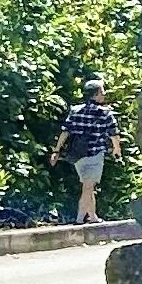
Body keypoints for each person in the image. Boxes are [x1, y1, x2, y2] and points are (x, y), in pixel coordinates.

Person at [49, 77, 121, 222]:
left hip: (78, 155)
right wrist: (117, 149)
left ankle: (93, 216)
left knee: (89, 184)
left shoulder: (75, 110)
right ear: (94, 94)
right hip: (94, 154)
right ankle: (80, 218)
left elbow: (65, 131)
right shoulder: (105, 113)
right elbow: (114, 133)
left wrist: (56, 151)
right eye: (102, 91)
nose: (104, 94)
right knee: (88, 186)